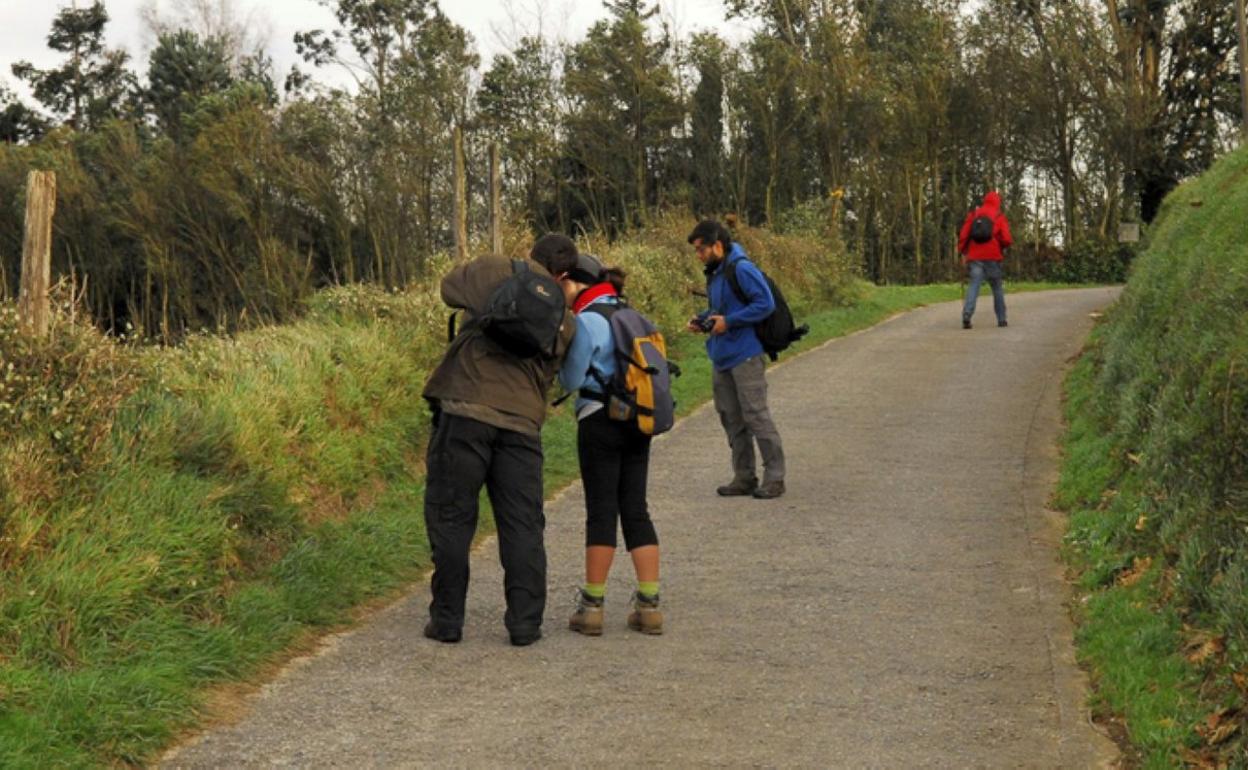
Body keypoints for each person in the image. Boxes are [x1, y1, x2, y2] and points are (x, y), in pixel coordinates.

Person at [420, 234, 578, 647]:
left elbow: (447, 288)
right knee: (522, 523)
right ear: (564, 274)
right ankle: (525, 623)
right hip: (522, 422)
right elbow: (554, 365)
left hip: (466, 408)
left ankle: (447, 620)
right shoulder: (565, 314)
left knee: (453, 517)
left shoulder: (494, 268)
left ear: (533, 256)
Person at [555, 253, 664, 636]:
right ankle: (649, 605)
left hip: (600, 419)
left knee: (601, 511)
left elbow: (571, 379)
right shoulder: (632, 314)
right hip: (640, 419)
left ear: (574, 283)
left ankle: (592, 607)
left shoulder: (587, 319)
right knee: (636, 507)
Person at [686, 219, 786, 500]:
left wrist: (729, 322)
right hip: (722, 356)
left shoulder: (741, 268)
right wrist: (704, 320)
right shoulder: (716, 272)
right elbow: (721, 308)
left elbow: (764, 304)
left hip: (746, 355)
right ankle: (744, 477)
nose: (699, 255)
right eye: (696, 250)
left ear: (718, 244)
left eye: (701, 249)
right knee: (731, 417)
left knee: (756, 415)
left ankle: (775, 477)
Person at [958, 190, 1014, 329]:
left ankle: (967, 315)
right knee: (997, 288)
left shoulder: (974, 214)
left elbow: (964, 235)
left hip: (975, 256)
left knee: (974, 285)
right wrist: (1000, 245)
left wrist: (963, 251)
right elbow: (1007, 239)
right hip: (993, 257)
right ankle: (1002, 319)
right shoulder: (999, 216)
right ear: (998, 202)